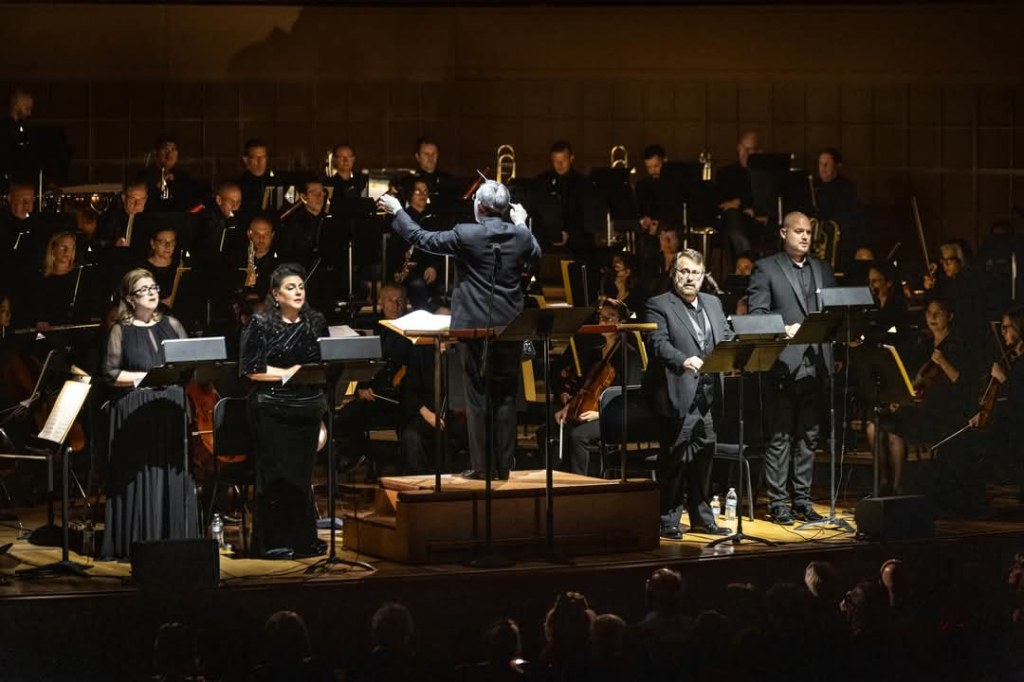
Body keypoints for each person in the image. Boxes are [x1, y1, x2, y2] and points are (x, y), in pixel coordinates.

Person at [379, 179, 541, 480]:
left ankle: (482, 468)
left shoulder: (466, 234)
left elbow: (421, 237)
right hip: (509, 326)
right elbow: (535, 253)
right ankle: (503, 467)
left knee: (478, 395)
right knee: (505, 395)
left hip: (473, 329)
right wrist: (522, 224)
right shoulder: (519, 235)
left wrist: (398, 210)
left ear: (479, 207)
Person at [100, 268, 199, 560]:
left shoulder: (172, 324)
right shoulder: (121, 330)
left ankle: (177, 539)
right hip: (137, 409)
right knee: (142, 476)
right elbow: (109, 373)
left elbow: (188, 362)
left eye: (154, 286)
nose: (153, 292)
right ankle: (141, 541)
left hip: (169, 408)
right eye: (144, 289)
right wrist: (144, 378)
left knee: (171, 473)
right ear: (130, 298)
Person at [747, 211, 837, 524]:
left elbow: (833, 311)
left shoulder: (822, 268)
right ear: (783, 232)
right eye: (798, 231)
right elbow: (757, 315)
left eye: (809, 232)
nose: (804, 237)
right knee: (780, 436)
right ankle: (779, 503)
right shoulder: (766, 268)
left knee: (809, 437)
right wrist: (783, 328)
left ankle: (803, 499)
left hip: (816, 364)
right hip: (784, 365)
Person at [240, 263, 328, 559]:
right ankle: (274, 542)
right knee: (276, 478)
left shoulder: (315, 321)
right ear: (276, 294)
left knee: (301, 479)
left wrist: (322, 421)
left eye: (301, 286)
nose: (298, 291)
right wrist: (287, 373)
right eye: (291, 287)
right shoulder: (261, 322)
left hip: (308, 408)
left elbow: (322, 370)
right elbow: (251, 369)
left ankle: (303, 541)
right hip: (272, 408)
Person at [643, 248, 732, 539]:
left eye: (695, 272)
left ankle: (702, 519)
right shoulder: (659, 304)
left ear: (703, 275)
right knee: (674, 460)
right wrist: (684, 359)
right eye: (684, 271)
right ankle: (667, 519)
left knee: (705, 458)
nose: (689, 278)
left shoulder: (713, 303)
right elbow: (658, 343)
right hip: (677, 393)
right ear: (674, 274)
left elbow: (726, 337)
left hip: (708, 395)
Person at [549, 299, 642, 476]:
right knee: (550, 429)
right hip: (590, 410)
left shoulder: (628, 354)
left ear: (621, 323)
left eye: (610, 318)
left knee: (578, 436)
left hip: (614, 416)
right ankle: (557, 479)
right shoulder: (595, 352)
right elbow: (585, 387)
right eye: (602, 317)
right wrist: (568, 408)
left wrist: (600, 414)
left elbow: (630, 397)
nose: (604, 322)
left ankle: (581, 484)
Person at [968, 305, 1024, 500]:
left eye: (1007, 327)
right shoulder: (1014, 358)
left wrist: (1002, 379)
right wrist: (984, 413)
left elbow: (1018, 397)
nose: (1003, 332)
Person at [716, 130, 764, 263]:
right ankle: (746, 260)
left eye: (751, 150)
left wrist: (740, 203)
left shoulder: (763, 175)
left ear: (758, 152)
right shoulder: (726, 173)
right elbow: (724, 203)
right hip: (735, 222)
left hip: (759, 221)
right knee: (732, 216)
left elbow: (764, 199)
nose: (746, 154)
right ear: (738, 148)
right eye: (743, 149)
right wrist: (743, 206)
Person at [535, 140, 588, 249]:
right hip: (546, 241)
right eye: (556, 161)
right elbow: (538, 211)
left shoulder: (582, 182)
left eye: (563, 160)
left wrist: (568, 231)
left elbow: (584, 213)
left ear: (571, 158)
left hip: (576, 242)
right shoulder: (542, 181)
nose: (559, 165)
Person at [238, 138, 272, 217]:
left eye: (263, 157)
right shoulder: (239, 186)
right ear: (246, 160)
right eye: (255, 158)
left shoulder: (274, 181)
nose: (260, 162)